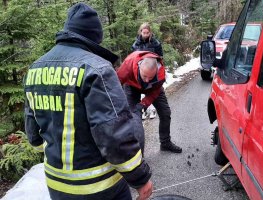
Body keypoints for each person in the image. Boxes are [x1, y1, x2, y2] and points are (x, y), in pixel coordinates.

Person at [24, 3, 152, 200]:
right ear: (95, 37)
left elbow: (34, 137)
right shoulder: (97, 69)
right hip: (100, 187)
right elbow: (114, 136)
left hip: (56, 185)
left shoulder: (34, 69)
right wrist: (140, 178)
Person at [117, 51, 182, 153]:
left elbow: (155, 92)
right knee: (133, 118)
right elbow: (116, 83)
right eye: (144, 76)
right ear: (139, 67)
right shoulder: (129, 64)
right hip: (132, 86)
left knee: (165, 114)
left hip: (153, 88)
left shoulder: (160, 72)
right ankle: (137, 153)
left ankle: (165, 143)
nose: (147, 80)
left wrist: (143, 104)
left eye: (150, 77)